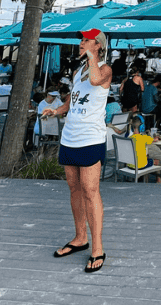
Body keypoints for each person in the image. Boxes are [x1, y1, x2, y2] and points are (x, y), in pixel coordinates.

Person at [44, 29, 112, 274]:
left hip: (91, 138)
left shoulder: (104, 70)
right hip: (70, 137)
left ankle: (98, 248)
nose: (81, 43)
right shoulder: (76, 73)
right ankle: (80, 238)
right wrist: (56, 111)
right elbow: (70, 103)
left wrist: (92, 56)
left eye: (86, 40)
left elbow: (95, 81)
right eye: (81, 39)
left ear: (98, 45)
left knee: (91, 190)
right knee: (74, 188)